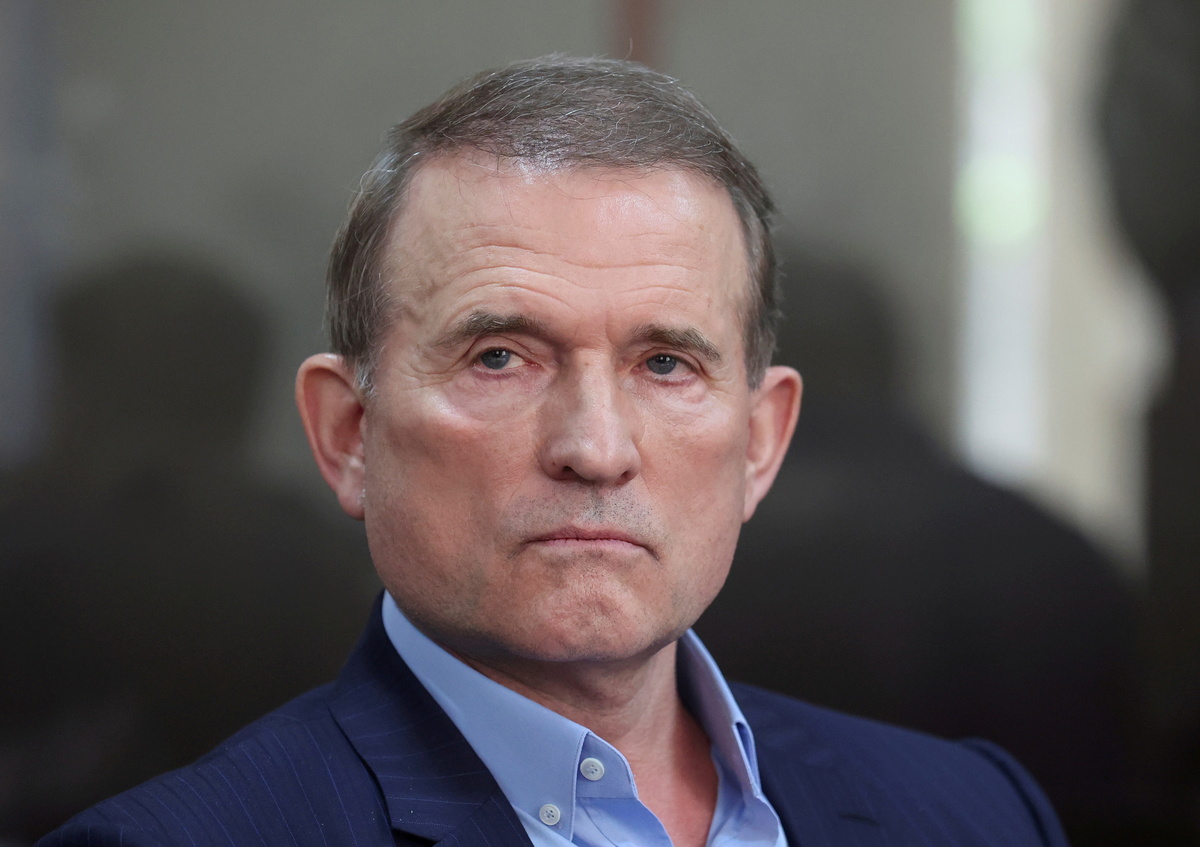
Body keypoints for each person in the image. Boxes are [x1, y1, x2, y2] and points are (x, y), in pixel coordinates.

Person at [38, 56, 1068, 847]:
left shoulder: (976, 816)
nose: (595, 448)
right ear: (348, 434)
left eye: (665, 364)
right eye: (500, 357)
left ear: (760, 442)